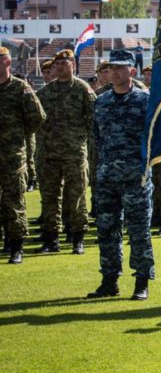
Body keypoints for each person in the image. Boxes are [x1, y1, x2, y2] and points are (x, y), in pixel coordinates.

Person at [86, 50, 154, 300]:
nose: (115, 72)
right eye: (112, 68)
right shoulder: (101, 101)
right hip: (107, 177)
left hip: (136, 177)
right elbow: (96, 137)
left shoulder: (145, 101)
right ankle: (109, 280)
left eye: (120, 68)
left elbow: (155, 136)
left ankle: (142, 281)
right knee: (106, 229)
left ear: (132, 71)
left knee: (139, 231)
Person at [36, 48, 95, 255]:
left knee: (76, 196)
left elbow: (93, 120)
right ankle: (51, 238)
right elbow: (35, 119)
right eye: (57, 64)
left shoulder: (83, 89)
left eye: (64, 63)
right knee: (50, 197)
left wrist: (81, 141)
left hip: (74, 153)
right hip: (49, 154)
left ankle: (77, 237)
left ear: (73, 65)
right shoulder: (45, 92)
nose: (60, 67)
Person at [0, 46, 46, 265]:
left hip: (12, 156)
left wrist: (18, 134)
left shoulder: (20, 88)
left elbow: (38, 117)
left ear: (7, 62)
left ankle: (16, 245)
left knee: (14, 201)